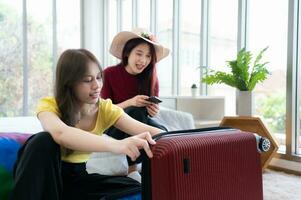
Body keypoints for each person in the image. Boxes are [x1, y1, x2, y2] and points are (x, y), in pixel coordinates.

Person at [10, 49, 163, 200]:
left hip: (76, 178)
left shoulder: (105, 109)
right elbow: (61, 134)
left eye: (98, 77)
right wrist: (117, 144)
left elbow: (150, 131)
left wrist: (178, 139)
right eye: (88, 80)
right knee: (43, 140)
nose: (97, 86)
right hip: (42, 173)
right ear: (69, 83)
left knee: (134, 187)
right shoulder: (50, 105)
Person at [101, 28, 170, 175]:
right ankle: (132, 169)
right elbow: (102, 111)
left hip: (138, 122)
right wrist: (130, 102)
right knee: (135, 111)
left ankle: (152, 171)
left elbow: (147, 116)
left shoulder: (151, 78)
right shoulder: (109, 74)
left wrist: (153, 112)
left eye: (148, 56)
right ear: (127, 53)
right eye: (139, 54)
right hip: (112, 124)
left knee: (163, 132)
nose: (143, 60)